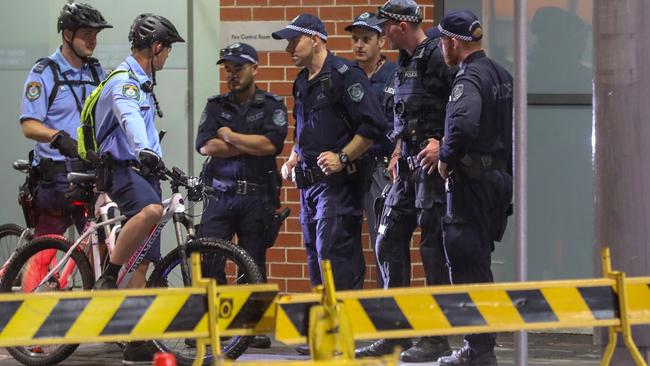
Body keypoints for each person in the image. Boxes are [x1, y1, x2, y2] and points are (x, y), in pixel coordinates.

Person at [354, 0, 456, 361]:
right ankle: (396, 333)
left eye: (385, 25)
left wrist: (443, 144)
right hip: (407, 168)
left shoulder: (438, 56)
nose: (381, 31)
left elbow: (459, 105)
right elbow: (404, 113)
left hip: (432, 170)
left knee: (433, 252)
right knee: (388, 241)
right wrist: (398, 148)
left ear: (401, 25)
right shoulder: (405, 63)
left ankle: (436, 338)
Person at [90, 12, 184, 363]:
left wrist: (157, 161)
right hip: (122, 170)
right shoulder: (125, 81)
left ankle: (136, 341)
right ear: (156, 46)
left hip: (143, 171)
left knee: (144, 261)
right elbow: (128, 116)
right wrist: (144, 149)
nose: (167, 56)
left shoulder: (144, 80)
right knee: (151, 211)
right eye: (168, 49)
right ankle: (109, 276)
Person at [272, 13, 385, 291]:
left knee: (334, 258)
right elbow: (305, 129)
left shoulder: (345, 76)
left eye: (294, 41)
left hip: (338, 187)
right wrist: (293, 156)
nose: (288, 49)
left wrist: (343, 156)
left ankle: (346, 329)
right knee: (315, 260)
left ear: (315, 40)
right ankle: (326, 331)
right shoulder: (301, 82)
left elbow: (373, 126)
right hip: (309, 187)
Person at [433, 10, 513, 366]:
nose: (440, 48)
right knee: (480, 265)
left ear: (454, 42)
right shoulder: (501, 74)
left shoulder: (468, 79)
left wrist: (446, 157)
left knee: (466, 265)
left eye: (442, 41)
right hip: (496, 181)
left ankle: (477, 349)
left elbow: (463, 125)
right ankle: (483, 346)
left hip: (471, 184)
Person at [195, 42, 288, 349]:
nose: (232, 75)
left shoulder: (271, 105)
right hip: (219, 194)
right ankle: (216, 323)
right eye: (228, 69)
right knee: (209, 260)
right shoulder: (215, 105)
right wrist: (248, 142)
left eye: (238, 68)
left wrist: (231, 136)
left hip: (256, 196)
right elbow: (206, 146)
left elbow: (271, 145)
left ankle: (252, 327)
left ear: (254, 68)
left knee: (253, 262)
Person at [19, 3, 111, 290]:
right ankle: (24, 321)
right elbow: (28, 125)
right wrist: (57, 137)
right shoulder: (45, 71)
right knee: (45, 251)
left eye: (96, 34)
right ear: (67, 34)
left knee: (98, 240)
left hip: (89, 173)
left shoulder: (97, 71)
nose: (93, 40)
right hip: (55, 177)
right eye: (87, 33)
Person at [344, 12, 397, 289]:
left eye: (366, 39)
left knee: (383, 241)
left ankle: (384, 313)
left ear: (382, 41)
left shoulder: (396, 75)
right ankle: (353, 311)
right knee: (347, 242)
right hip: (350, 169)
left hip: (380, 168)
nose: (359, 45)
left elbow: (397, 123)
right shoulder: (346, 76)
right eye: (355, 39)